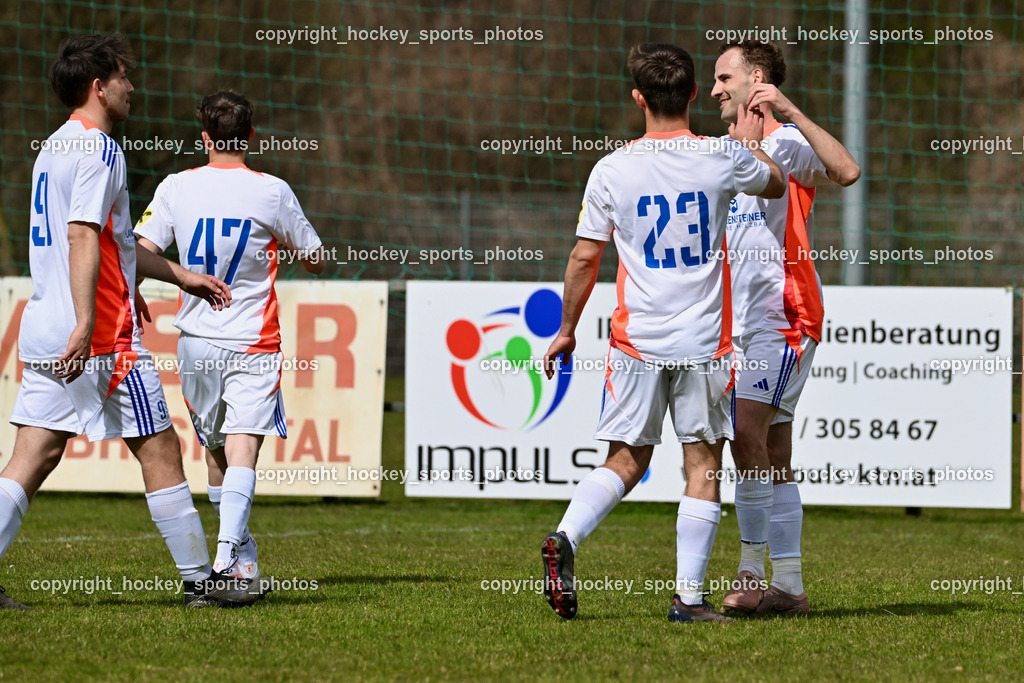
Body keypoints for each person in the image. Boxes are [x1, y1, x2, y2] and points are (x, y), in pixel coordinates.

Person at [0, 34, 266, 610]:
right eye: (123, 77)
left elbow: (112, 242)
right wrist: (88, 319)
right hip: (97, 337)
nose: (132, 86)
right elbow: (81, 235)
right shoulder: (100, 149)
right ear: (99, 86)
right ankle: (203, 584)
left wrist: (178, 274)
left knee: (34, 454)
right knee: (159, 448)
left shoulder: (54, 146)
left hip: (45, 323)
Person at [539, 42, 785, 623]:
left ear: (638, 98)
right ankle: (689, 601)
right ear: (696, 94)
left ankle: (566, 538)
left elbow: (582, 258)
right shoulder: (721, 158)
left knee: (625, 459)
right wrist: (749, 144)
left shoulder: (612, 168)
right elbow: (775, 183)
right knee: (702, 465)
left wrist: (567, 328)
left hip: (635, 342)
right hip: (704, 343)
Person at [135, 90, 326, 581]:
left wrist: (154, 280)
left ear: (204, 138)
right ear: (252, 136)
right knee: (243, 445)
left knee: (216, 449)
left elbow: (139, 249)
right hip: (251, 338)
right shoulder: (272, 190)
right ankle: (230, 550)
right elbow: (316, 254)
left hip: (195, 340)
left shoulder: (176, 186)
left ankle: (235, 558)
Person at [710, 40, 860, 616]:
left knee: (745, 436)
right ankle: (791, 588)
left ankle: (750, 574)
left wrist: (792, 111)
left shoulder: (789, 144)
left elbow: (847, 170)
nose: (718, 89)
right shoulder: (726, 149)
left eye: (726, 78)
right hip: (742, 323)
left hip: (786, 317)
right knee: (772, 451)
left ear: (757, 79)